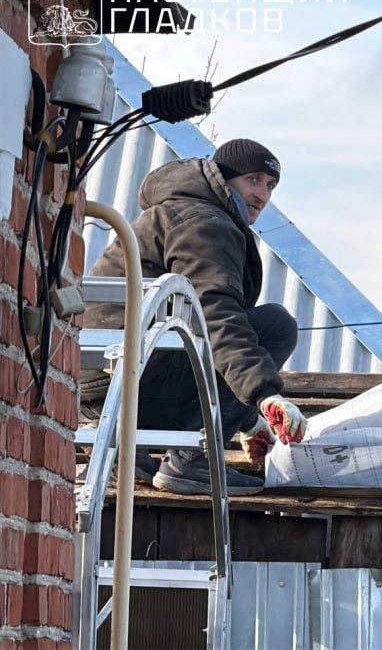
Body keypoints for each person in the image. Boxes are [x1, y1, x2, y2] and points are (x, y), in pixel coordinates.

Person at [82, 138, 307, 495]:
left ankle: (128, 449)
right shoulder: (204, 221)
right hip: (130, 378)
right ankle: (192, 459)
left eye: (270, 185)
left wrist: (249, 421)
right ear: (224, 178)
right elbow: (216, 313)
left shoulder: (182, 211)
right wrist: (264, 394)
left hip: (103, 384)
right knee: (276, 325)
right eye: (253, 179)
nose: (262, 195)